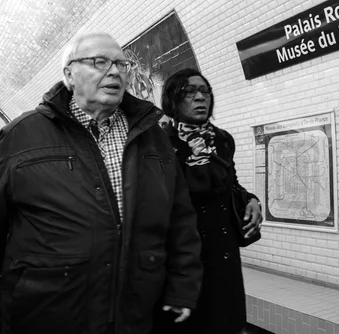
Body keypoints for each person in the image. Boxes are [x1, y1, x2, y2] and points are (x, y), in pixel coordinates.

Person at [0, 33, 203, 334]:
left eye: (122, 64)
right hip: (46, 313)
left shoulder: (153, 136)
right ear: (69, 74)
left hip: (134, 312)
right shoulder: (21, 136)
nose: (115, 71)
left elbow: (180, 218)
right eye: (99, 62)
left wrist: (182, 286)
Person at [153, 68, 263, 334]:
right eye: (190, 92)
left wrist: (251, 200)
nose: (200, 98)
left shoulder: (222, 140)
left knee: (226, 321)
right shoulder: (158, 143)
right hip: (182, 256)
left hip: (223, 254)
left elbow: (230, 184)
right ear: (173, 100)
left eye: (205, 91)